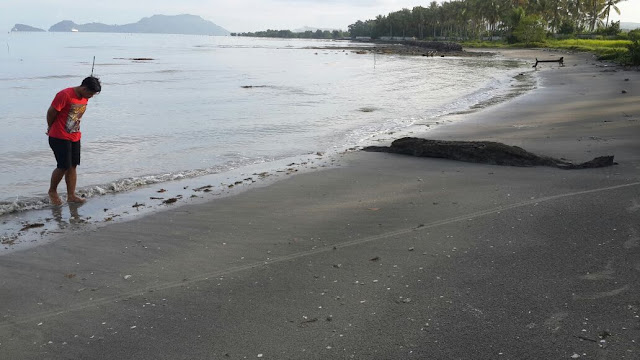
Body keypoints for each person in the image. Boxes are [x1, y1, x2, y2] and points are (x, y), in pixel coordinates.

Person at [46, 76, 101, 205]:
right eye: (90, 93)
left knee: (73, 165)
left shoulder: (84, 97)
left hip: (75, 135)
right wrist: (50, 127)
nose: (91, 97)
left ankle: (71, 195)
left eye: (93, 94)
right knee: (63, 166)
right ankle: (52, 191)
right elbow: (51, 112)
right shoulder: (64, 94)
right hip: (59, 136)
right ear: (83, 88)